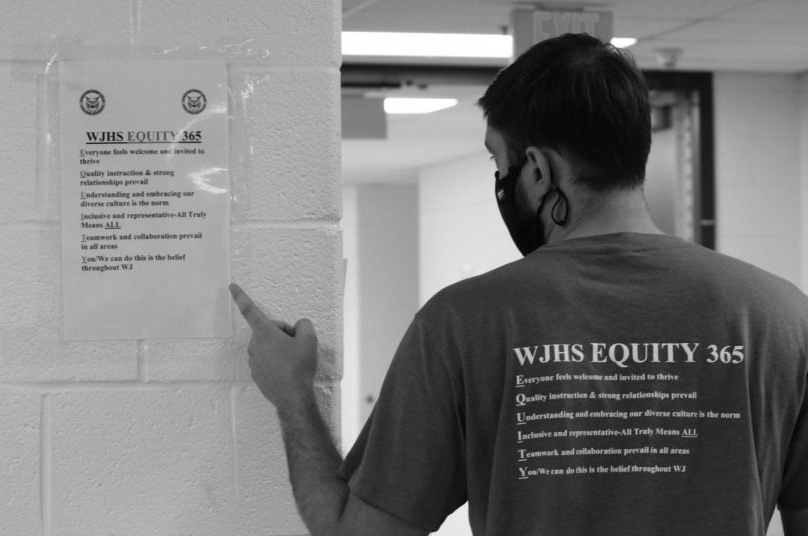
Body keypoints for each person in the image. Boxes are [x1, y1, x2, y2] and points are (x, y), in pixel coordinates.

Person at [230, 33, 808, 535]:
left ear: (537, 170)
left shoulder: (463, 322)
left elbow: (354, 533)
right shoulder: (780, 316)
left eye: (497, 164)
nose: (503, 182)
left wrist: (292, 397)